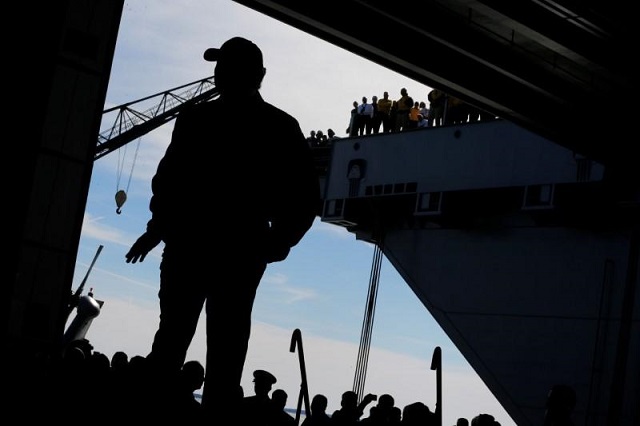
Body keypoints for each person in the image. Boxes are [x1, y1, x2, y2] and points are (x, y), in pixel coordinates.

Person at [124, 36, 321, 418]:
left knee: (175, 342)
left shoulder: (197, 120)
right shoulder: (278, 127)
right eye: (219, 67)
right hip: (236, 251)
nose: (218, 74)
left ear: (256, 75)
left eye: (225, 67)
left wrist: (159, 228)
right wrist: (274, 242)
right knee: (222, 350)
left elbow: (169, 180)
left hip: (192, 246)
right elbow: (304, 199)